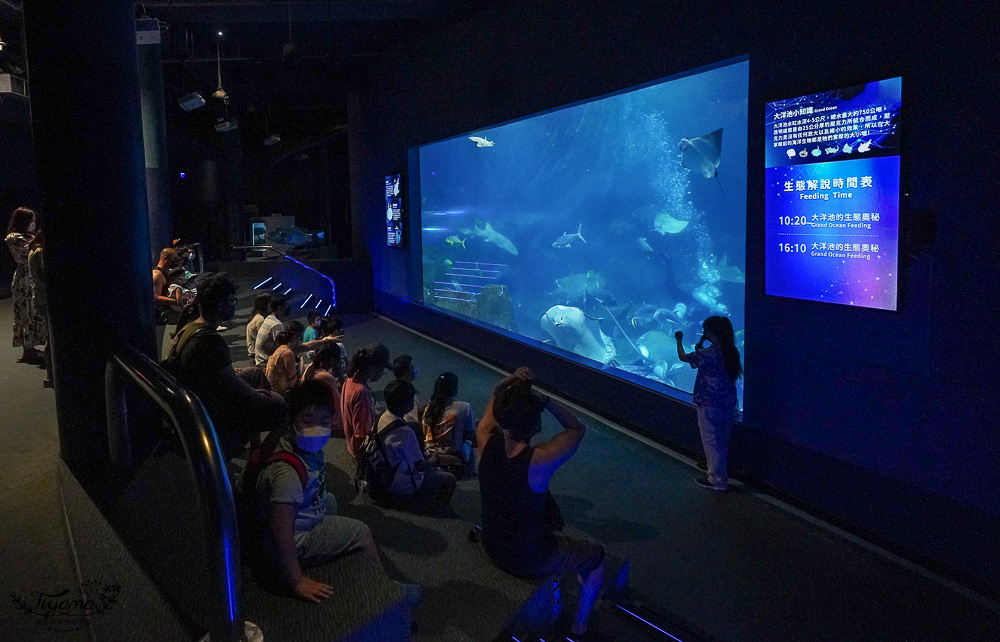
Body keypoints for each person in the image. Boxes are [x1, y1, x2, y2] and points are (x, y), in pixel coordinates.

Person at [249, 381, 423, 605]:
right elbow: (281, 528)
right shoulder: (287, 474)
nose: (317, 429)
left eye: (324, 422)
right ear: (293, 421)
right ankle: (392, 595)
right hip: (292, 539)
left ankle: (341, 555)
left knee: (329, 500)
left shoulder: (294, 445)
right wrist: (296, 580)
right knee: (361, 532)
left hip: (298, 518)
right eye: (308, 421)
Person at [477, 367, 604, 639]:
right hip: (528, 559)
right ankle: (579, 626)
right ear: (534, 424)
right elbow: (576, 429)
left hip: (491, 542)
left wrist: (512, 380)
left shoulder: (484, 438)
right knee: (596, 559)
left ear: (502, 416)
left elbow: (496, 394)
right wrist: (544, 399)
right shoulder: (540, 460)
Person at [169, 272, 285, 459]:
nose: (233, 305)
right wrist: (256, 395)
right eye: (231, 301)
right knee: (278, 404)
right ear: (219, 305)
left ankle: (254, 443)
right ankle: (261, 459)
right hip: (209, 404)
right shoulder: (209, 340)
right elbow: (233, 386)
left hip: (201, 390)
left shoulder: (191, 326)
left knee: (255, 373)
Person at [675, 316, 742, 492]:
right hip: (728, 402)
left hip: (709, 402)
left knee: (711, 441)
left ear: (711, 332)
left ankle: (717, 480)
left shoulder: (707, 354)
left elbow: (683, 357)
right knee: (722, 439)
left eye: (706, 330)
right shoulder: (732, 351)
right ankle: (716, 468)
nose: (704, 333)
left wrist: (679, 339)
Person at [376, 380, 456, 505]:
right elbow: (420, 466)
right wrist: (434, 460)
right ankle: (435, 507)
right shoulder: (405, 433)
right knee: (450, 478)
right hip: (398, 483)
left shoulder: (383, 416)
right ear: (407, 405)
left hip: (383, 471)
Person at [5, 207, 45, 364]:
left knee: (32, 312)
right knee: (25, 313)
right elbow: (32, 249)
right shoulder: (14, 237)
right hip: (24, 279)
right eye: (31, 221)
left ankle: (31, 347)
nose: (33, 225)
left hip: (31, 276)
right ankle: (27, 350)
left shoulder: (28, 236)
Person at [421, 372, 476, 476]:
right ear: (455, 388)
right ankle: (470, 472)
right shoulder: (464, 407)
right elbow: (469, 434)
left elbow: (425, 431)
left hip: (430, 452)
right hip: (452, 452)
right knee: (470, 442)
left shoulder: (430, 407)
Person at [341, 343, 391, 457]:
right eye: (382, 368)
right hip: (361, 449)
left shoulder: (350, 379)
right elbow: (362, 433)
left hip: (351, 441)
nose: (383, 373)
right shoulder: (361, 392)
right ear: (372, 367)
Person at [301, 344, 346, 436]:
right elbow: (338, 404)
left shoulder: (310, 368)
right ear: (332, 360)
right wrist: (341, 377)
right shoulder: (325, 377)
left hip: (311, 412)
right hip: (325, 418)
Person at [27, 228, 52, 388]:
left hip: (40, 297)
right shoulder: (39, 252)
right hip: (45, 298)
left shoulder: (33, 250)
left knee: (51, 338)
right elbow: (44, 276)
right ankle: (51, 376)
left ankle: (51, 376)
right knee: (51, 340)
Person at [266, 321, 305, 397]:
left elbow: (309, 345)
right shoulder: (288, 353)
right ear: (296, 337)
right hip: (280, 394)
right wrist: (301, 359)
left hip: (272, 390)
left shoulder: (280, 347)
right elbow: (293, 381)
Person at [392, 354, 421, 424]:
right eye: (413, 367)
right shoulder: (409, 397)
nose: (416, 370)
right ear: (406, 374)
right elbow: (412, 422)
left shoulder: (393, 388)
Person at [246, 292, 272, 361]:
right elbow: (263, 339)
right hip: (256, 353)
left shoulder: (256, 315)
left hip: (256, 351)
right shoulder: (260, 319)